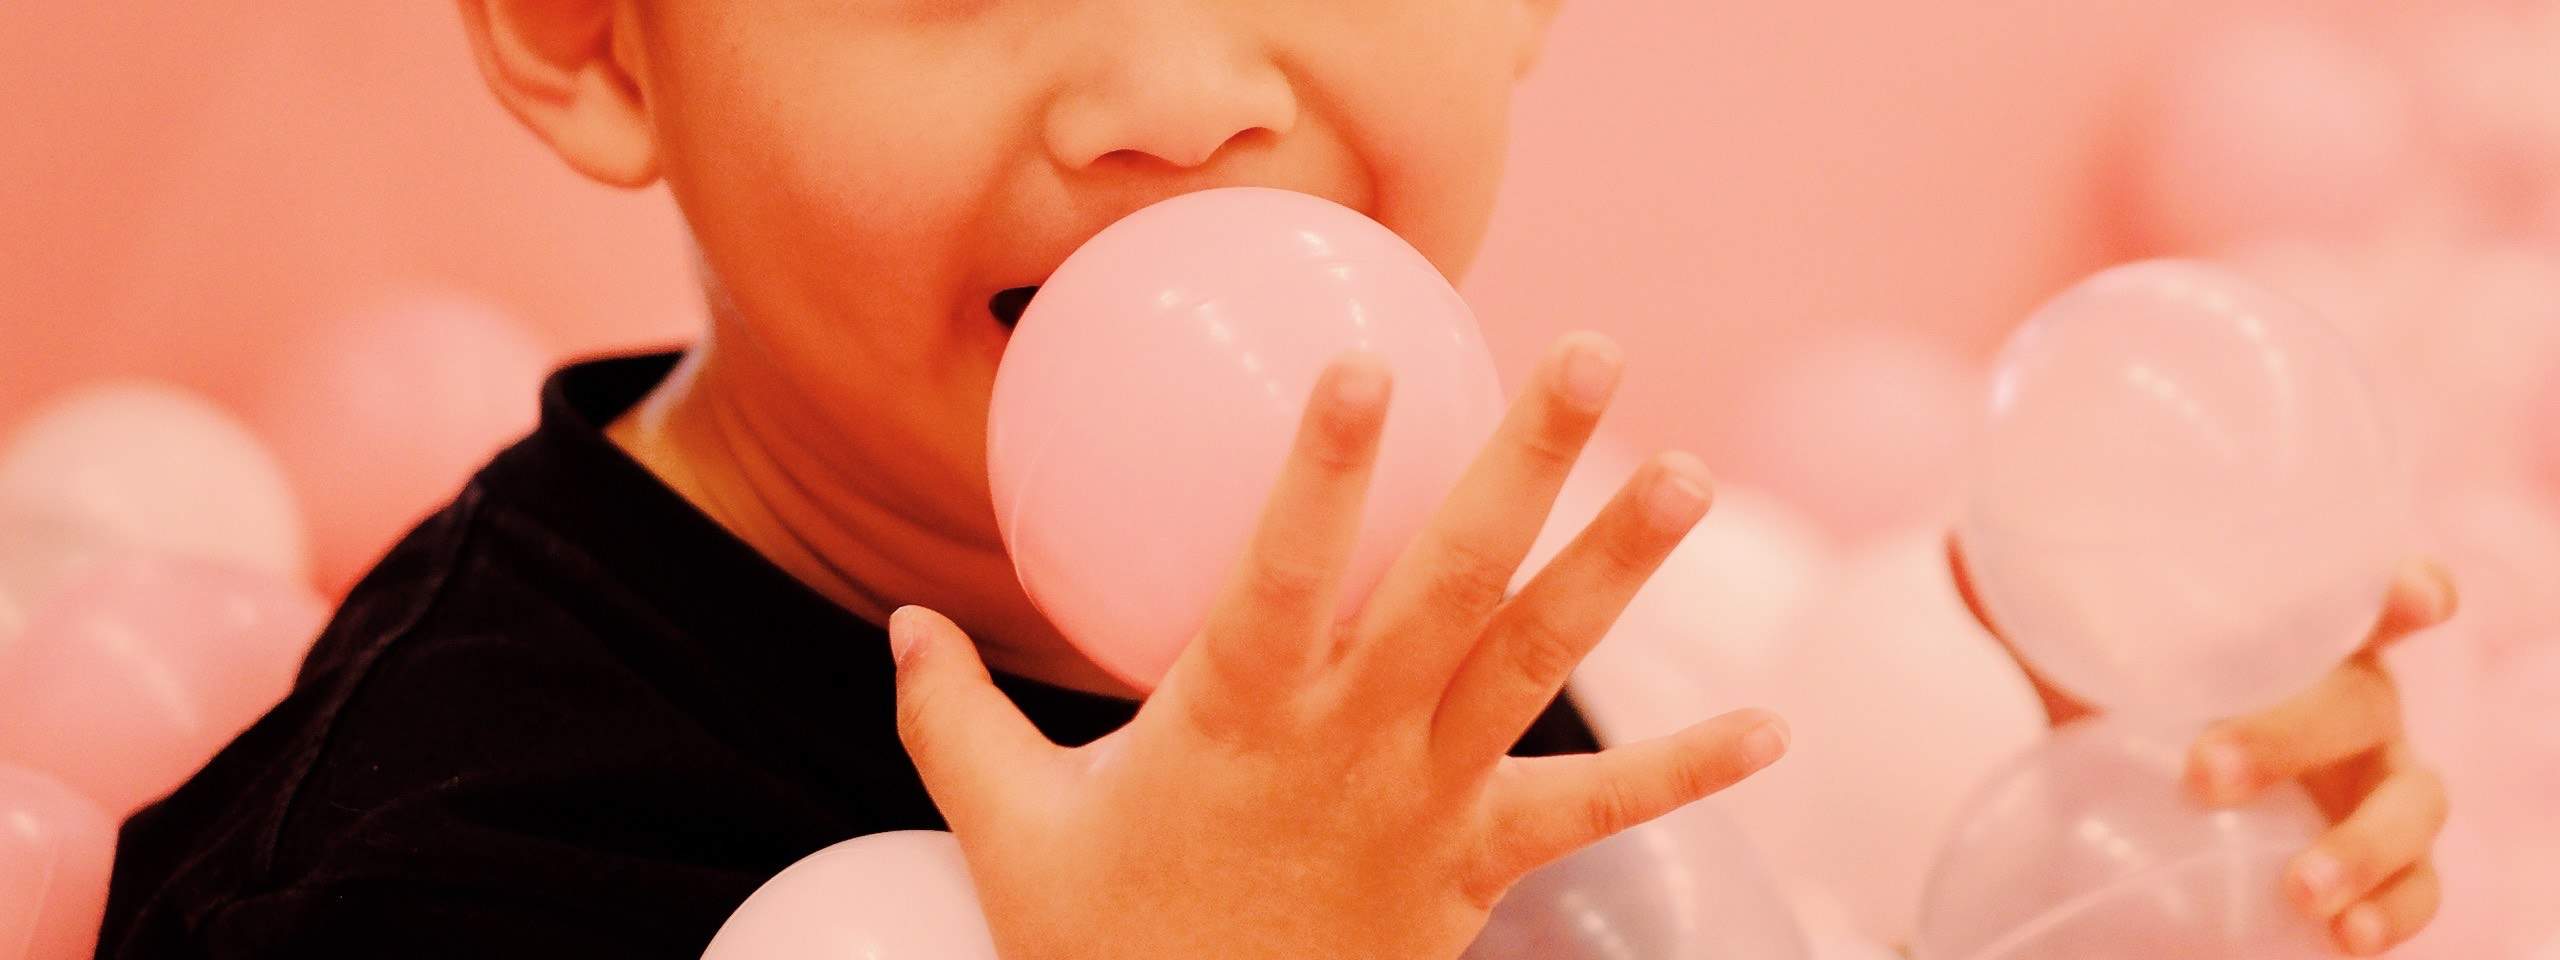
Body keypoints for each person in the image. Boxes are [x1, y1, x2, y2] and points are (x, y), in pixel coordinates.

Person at [96, 1, 2455, 956]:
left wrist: (2114, 848)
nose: (1172, 87)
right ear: (595, 30)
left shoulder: (1431, 657)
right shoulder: (436, 842)